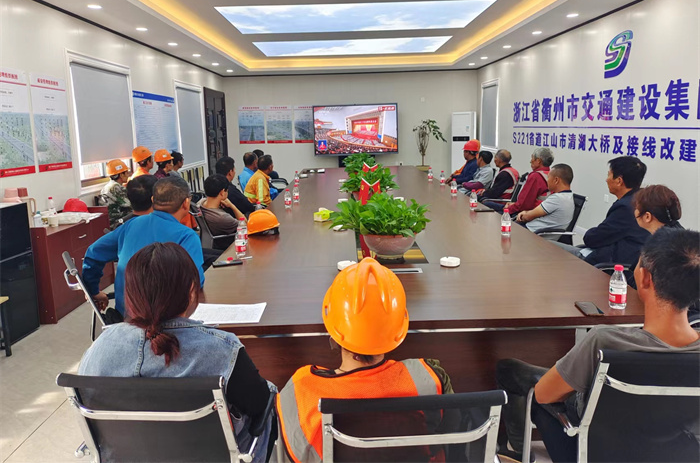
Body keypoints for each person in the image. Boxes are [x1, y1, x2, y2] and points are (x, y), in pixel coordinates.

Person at [495, 228, 700, 463]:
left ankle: (517, 451)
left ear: (645, 278)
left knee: (512, 371)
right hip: (677, 454)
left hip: (592, 452)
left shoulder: (605, 341)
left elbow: (543, 394)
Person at [79, 242, 275, 463]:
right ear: (191, 291)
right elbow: (260, 404)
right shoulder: (222, 350)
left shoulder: (99, 348)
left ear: (130, 294)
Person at [276, 257, 456, 463]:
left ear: (334, 333)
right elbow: (451, 438)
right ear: (398, 330)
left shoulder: (302, 391)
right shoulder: (428, 378)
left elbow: (291, 455)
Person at [82, 177, 205, 317]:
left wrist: (93, 291)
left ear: (153, 200)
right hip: (165, 320)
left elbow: (93, 252)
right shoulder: (186, 236)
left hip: (125, 317)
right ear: (186, 203)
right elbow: (195, 282)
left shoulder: (130, 225)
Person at [556, 156, 649, 266]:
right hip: (617, 257)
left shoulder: (625, 207)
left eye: (609, 175)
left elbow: (593, 239)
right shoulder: (641, 201)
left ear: (619, 181)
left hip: (606, 263)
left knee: (550, 248)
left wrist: (593, 232)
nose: (606, 179)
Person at [483, 147, 552, 215]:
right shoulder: (550, 174)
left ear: (538, 161)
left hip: (524, 213)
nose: (530, 161)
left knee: (486, 204)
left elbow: (525, 204)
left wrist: (509, 208)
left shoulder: (535, 177)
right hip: (539, 212)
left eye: (532, 158)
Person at [516, 163, 575, 235]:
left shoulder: (557, 199)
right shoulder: (569, 197)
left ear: (556, 180)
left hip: (532, 234)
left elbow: (528, 217)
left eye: (548, 177)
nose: (547, 181)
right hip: (535, 232)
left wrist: (524, 214)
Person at [200, 174, 244, 250]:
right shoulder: (223, 217)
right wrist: (232, 206)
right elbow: (245, 227)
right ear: (222, 192)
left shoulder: (200, 204)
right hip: (227, 248)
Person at [99, 159, 132, 229]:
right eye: (126, 172)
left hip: (110, 222)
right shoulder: (115, 188)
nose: (128, 175)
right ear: (121, 175)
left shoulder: (107, 187)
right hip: (117, 223)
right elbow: (129, 205)